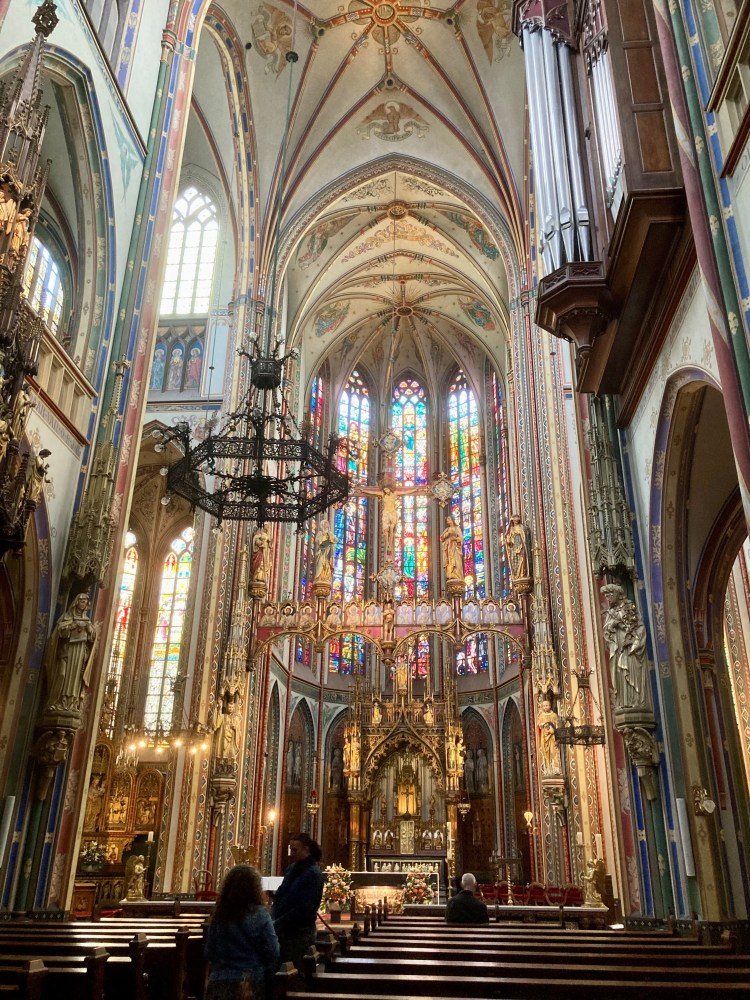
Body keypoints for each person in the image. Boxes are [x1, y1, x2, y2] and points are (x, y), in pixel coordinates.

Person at [205, 864, 280, 1000]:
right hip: (248, 982)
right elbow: (273, 951)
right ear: (255, 889)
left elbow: (210, 952)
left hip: (219, 981)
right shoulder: (259, 915)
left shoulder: (219, 915)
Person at [271, 834, 324, 972]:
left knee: (295, 970)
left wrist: (278, 922)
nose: (291, 854)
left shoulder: (313, 873)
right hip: (283, 930)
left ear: (306, 849)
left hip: (300, 933)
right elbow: (282, 893)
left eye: (295, 850)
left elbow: (305, 908)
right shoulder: (291, 869)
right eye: (291, 850)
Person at [43, 593, 98, 712]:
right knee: (62, 674)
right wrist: (72, 626)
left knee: (75, 678)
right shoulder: (66, 617)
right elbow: (58, 634)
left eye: (85, 603)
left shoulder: (87, 620)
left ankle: (71, 704)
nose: (83, 605)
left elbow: (92, 639)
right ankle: (56, 702)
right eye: (82, 602)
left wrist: (90, 631)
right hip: (67, 651)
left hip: (79, 652)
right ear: (76, 602)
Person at [601, 583, 648, 711]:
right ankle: (623, 701)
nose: (608, 598)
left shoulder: (629, 608)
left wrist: (633, 641)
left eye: (610, 595)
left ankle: (635, 700)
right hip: (617, 648)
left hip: (629, 649)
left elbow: (639, 627)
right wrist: (613, 625)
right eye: (606, 596)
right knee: (619, 674)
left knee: (631, 672)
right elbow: (606, 630)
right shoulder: (611, 612)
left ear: (617, 594)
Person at [313, 518, 336, 586]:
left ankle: (326, 578)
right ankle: (318, 577)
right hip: (322, 552)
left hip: (329, 552)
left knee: (327, 565)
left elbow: (335, 540)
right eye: (326, 523)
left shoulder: (330, 533)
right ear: (323, 525)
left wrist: (331, 538)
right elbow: (317, 540)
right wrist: (324, 538)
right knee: (320, 564)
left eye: (328, 523)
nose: (328, 524)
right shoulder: (320, 533)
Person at [440, 515, 463, 581]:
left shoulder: (457, 528)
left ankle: (457, 575)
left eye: (449, 519)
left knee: (457, 561)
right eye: (447, 519)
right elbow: (441, 538)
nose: (447, 520)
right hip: (448, 548)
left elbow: (461, 538)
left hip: (455, 547)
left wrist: (456, 539)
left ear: (452, 520)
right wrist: (446, 534)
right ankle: (451, 575)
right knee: (449, 561)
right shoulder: (447, 529)